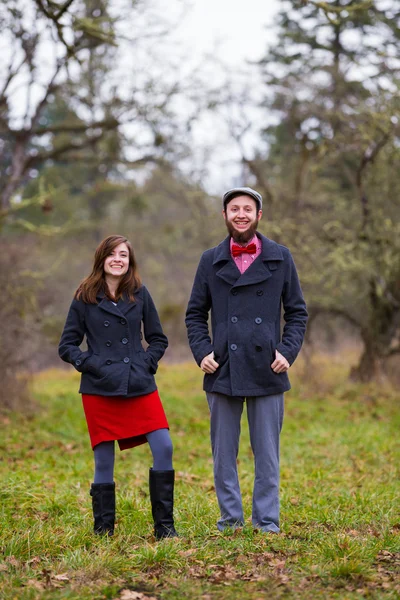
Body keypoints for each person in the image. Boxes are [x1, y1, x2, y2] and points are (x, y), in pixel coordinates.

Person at [185, 187, 307, 534]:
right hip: (222, 366)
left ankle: (267, 522)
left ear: (259, 216)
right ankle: (231, 521)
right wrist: (202, 352)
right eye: (234, 208)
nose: (241, 214)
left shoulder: (281, 257)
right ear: (224, 215)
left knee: (267, 454)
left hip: (269, 366)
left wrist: (287, 351)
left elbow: (297, 312)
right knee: (224, 453)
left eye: (247, 209)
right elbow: (195, 314)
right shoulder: (210, 260)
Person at [59, 234, 178, 539]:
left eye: (123, 255)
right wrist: (91, 364)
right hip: (99, 389)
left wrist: (146, 363)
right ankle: (103, 531)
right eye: (112, 254)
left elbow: (158, 338)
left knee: (164, 446)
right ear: (102, 259)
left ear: (130, 261)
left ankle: (165, 528)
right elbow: (67, 345)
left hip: (139, 383)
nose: (118, 260)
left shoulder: (139, 293)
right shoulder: (84, 295)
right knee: (103, 460)